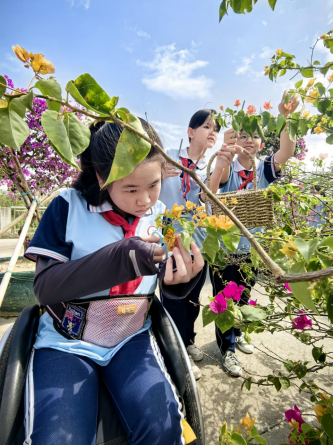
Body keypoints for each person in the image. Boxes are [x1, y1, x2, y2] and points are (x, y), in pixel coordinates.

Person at [24, 119, 205, 445]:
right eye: (131, 189)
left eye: (153, 184)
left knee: (163, 428)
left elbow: (164, 282)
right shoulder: (68, 207)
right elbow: (45, 287)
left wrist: (181, 281)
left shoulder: (163, 215)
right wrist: (120, 258)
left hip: (131, 339)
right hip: (66, 341)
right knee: (58, 438)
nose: (145, 200)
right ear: (100, 177)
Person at [208, 92, 300, 377]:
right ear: (235, 139)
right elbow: (211, 196)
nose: (249, 140)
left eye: (255, 136)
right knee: (224, 300)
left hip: (253, 250)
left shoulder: (264, 170)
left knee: (244, 296)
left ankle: (238, 334)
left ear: (262, 143)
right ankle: (228, 350)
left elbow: (286, 151)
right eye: (243, 135)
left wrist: (286, 118)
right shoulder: (228, 168)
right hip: (225, 251)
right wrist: (223, 159)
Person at [159, 109, 221, 380]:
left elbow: (210, 201)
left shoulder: (208, 166)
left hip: (197, 241)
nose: (212, 132)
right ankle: (176, 351)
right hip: (170, 239)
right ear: (191, 131)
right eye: (207, 126)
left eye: (215, 129)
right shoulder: (169, 156)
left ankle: (188, 340)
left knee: (193, 299)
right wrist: (159, 172)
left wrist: (218, 170)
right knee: (172, 299)